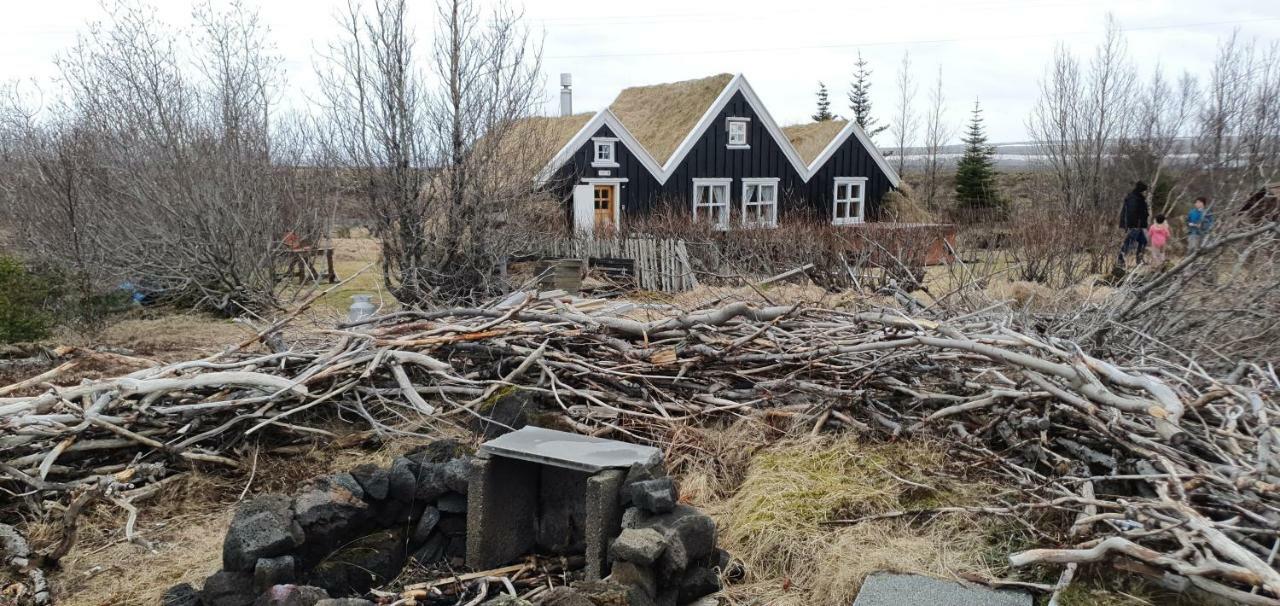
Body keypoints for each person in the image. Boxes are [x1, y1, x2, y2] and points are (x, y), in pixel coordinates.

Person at [1118, 181, 1150, 266]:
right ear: (1141, 190)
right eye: (1145, 190)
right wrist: (1134, 225)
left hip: (1140, 225)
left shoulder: (1138, 197)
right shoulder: (1133, 198)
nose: (1146, 192)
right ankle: (1120, 260)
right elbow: (1131, 213)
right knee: (1129, 243)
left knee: (1143, 241)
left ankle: (1139, 260)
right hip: (1135, 225)